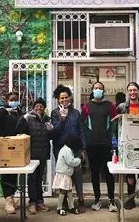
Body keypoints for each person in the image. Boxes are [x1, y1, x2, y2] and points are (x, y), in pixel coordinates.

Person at [81, 81, 118, 212]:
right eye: (95, 88)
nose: (98, 90)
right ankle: (97, 199)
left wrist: (114, 141)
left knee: (108, 173)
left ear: (103, 91)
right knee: (94, 172)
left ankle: (112, 200)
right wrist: (84, 143)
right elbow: (83, 125)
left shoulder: (110, 106)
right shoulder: (86, 106)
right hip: (92, 145)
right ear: (92, 90)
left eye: (100, 88)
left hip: (106, 144)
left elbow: (115, 124)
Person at [116, 82, 139, 210]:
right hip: (128, 144)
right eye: (130, 90)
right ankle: (131, 198)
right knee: (130, 173)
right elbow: (118, 124)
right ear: (127, 92)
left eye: (135, 90)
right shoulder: (121, 107)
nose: (132, 92)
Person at [51, 85, 86, 213]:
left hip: (75, 149)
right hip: (60, 149)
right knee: (63, 174)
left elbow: (81, 130)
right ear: (58, 99)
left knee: (77, 172)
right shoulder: (55, 113)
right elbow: (55, 131)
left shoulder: (76, 113)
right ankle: (64, 201)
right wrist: (63, 118)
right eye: (62, 98)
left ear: (69, 98)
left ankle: (80, 199)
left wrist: (83, 148)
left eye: (66, 97)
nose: (64, 100)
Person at [16, 98, 52, 215]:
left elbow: (51, 137)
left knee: (40, 179)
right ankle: (32, 202)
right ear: (33, 107)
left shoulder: (48, 119)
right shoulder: (29, 119)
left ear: (44, 108)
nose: (39, 108)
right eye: (37, 106)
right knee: (32, 179)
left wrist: (51, 130)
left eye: (41, 106)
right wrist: (23, 118)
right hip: (31, 154)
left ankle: (40, 201)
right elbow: (19, 130)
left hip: (43, 153)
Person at [0, 91, 21, 214]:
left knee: (14, 173)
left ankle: (12, 197)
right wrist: (4, 111)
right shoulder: (2, 111)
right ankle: (7, 200)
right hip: (4, 146)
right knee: (6, 174)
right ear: (7, 101)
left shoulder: (18, 112)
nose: (14, 101)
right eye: (12, 99)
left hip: (16, 146)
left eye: (16, 99)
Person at [53, 134, 83, 216]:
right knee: (63, 191)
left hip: (66, 173)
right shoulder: (67, 150)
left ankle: (71, 206)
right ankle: (59, 208)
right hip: (64, 174)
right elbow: (71, 161)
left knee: (69, 190)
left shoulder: (65, 149)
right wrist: (79, 160)